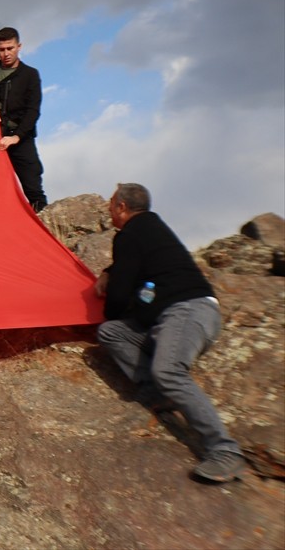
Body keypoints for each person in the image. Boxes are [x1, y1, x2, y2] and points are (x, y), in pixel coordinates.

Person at [95, 184, 246, 483]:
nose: (108, 210)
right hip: (174, 318)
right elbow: (137, 264)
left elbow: (119, 294)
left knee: (169, 370)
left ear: (122, 207)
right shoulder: (149, 229)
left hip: (187, 311)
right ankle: (159, 392)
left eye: (111, 204)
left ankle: (225, 451)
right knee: (112, 332)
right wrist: (109, 272)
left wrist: (110, 299)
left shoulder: (130, 234)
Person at [0, 27, 47, 212]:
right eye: (1, 49)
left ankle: (45, 226)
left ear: (19, 46)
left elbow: (33, 111)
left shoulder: (30, 75)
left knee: (34, 190)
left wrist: (16, 137)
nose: (6, 53)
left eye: (10, 48)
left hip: (21, 139)